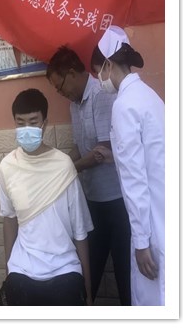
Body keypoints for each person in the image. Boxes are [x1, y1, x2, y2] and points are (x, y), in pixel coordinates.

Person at [46, 46, 131, 305]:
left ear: (72, 73)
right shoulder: (75, 104)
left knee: (125, 275)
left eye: (60, 87)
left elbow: (101, 151)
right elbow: (80, 148)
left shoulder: (101, 95)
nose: (61, 93)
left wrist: (68, 170)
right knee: (88, 272)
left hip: (117, 202)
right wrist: (57, 163)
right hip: (92, 201)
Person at [0, 89, 93, 306]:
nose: (26, 129)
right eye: (20, 123)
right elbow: (9, 220)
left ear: (45, 124)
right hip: (22, 268)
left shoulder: (63, 165)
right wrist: (9, 270)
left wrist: (87, 287)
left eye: (33, 122)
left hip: (65, 267)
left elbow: (80, 229)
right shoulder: (7, 166)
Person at [90, 25, 165, 306]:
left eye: (98, 72)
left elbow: (135, 180)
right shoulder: (148, 96)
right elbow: (148, 154)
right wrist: (115, 157)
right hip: (165, 210)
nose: (99, 80)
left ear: (108, 65)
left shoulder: (124, 106)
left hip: (152, 224)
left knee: (153, 298)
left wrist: (141, 242)